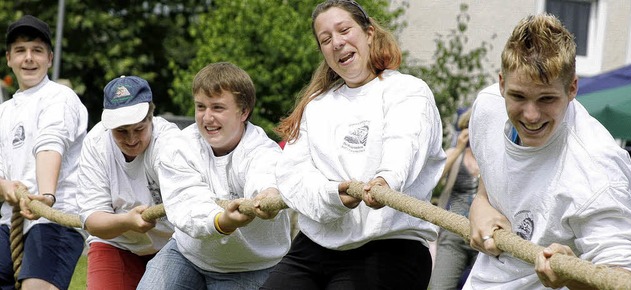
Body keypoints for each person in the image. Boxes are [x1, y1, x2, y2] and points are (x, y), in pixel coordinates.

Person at [260, 1, 446, 289]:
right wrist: (334, 195)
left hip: (391, 244)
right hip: (316, 245)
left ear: (369, 32)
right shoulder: (316, 106)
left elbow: (404, 144)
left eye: (344, 30)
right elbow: (294, 174)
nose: (337, 43)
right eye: (325, 39)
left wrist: (385, 181)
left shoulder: (408, 91)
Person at [464, 13, 631, 289]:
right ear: (501, 84)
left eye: (547, 99)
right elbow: (492, 181)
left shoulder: (597, 166)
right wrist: (480, 205)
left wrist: (571, 275)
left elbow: (622, 281)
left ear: (572, 88)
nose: (531, 115)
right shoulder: (487, 108)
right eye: (518, 96)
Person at [137, 62, 291, 290]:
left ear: (244, 112)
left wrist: (268, 195)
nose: (207, 117)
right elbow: (187, 203)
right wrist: (222, 221)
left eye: (218, 108)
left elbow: (265, 175)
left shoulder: (263, 151)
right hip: (187, 255)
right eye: (201, 107)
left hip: (251, 265)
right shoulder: (180, 147)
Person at [0, 15, 88, 289]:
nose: (29, 58)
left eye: (37, 50)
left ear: (49, 58)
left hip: (54, 218)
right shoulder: (4, 111)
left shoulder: (60, 97)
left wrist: (46, 196)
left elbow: (50, 144)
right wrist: (4, 186)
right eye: (21, 51)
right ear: (9, 58)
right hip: (9, 221)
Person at [76, 76, 180, 289]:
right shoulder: (96, 144)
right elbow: (93, 219)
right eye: (121, 131)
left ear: (151, 117)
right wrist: (127, 222)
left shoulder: (170, 142)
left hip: (172, 243)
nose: (131, 139)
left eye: (139, 129)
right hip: (115, 242)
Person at [429, 109, 479, 290]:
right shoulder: (455, 154)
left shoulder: (493, 157)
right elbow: (433, 179)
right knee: (440, 286)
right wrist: (458, 148)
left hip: (484, 235)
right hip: (453, 231)